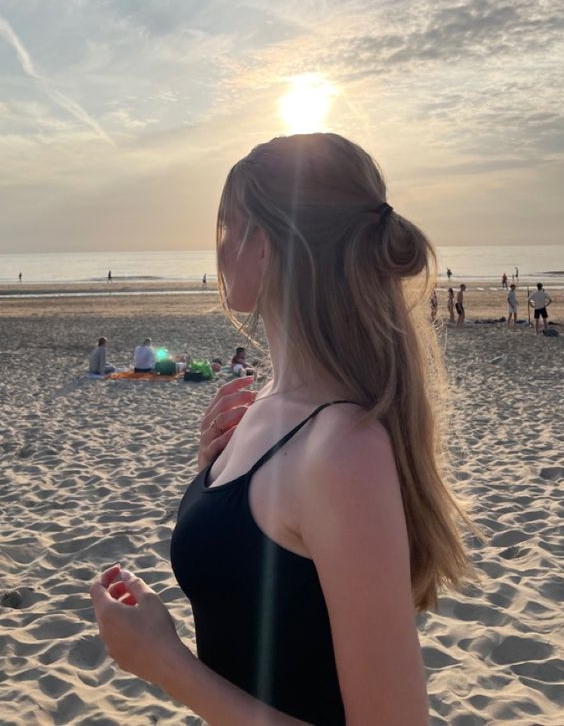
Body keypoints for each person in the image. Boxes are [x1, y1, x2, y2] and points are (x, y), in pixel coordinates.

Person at [91, 132, 475, 725]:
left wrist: (163, 661)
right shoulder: (265, 405)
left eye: (226, 228)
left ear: (263, 246)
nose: (217, 252)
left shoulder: (343, 448)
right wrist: (216, 486)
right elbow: (270, 592)